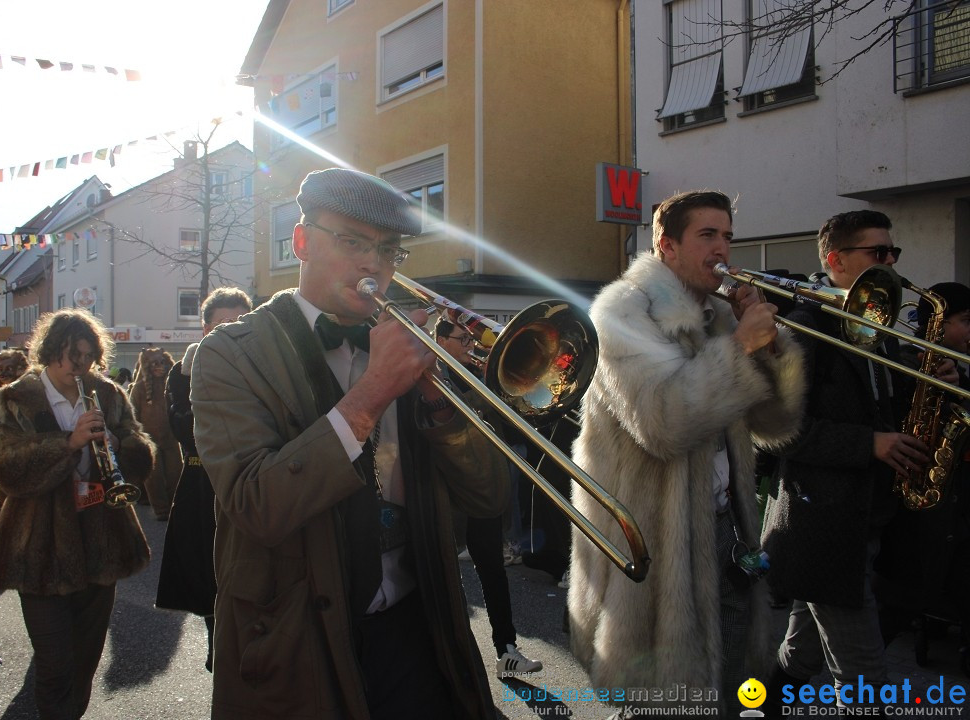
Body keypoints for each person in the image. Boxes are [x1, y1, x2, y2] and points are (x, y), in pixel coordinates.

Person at [191, 167, 509, 719]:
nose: (373, 265)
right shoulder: (229, 353)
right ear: (301, 243)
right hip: (298, 638)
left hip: (418, 628)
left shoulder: (405, 342)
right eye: (352, 242)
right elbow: (254, 504)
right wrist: (371, 394)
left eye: (387, 250)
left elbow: (488, 497)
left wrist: (436, 397)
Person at [568, 190, 806, 715]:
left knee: (729, 689)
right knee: (665, 702)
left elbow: (776, 425)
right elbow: (663, 424)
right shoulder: (623, 311)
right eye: (707, 235)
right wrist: (739, 348)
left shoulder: (719, 315)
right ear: (666, 246)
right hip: (655, 551)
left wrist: (770, 351)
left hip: (727, 531)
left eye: (727, 236)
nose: (722, 248)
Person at [761, 210, 959, 711]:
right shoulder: (803, 329)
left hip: (871, 518)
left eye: (893, 253)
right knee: (866, 679)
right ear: (836, 261)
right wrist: (870, 444)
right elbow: (775, 432)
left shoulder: (882, 327)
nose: (890, 262)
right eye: (877, 253)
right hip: (824, 527)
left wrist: (934, 384)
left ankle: (757, 706)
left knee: (800, 656)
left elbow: (888, 406)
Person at [0, 308, 154, 720]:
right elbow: (4, 465)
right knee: (55, 662)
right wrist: (67, 443)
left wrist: (119, 445)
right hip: (39, 547)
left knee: (84, 662)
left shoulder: (109, 393)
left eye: (88, 357)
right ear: (49, 351)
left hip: (102, 540)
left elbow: (141, 453)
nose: (80, 367)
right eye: (70, 356)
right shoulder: (13, 400)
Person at [433, 315, 543, 677]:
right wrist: (487, 391)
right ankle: (449, 661)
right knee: (443, 577)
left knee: (492, 572)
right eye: (462, 340)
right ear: (441, 339)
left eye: (469, 339)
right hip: (447, 494)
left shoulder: (475, 373)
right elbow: (449, 418)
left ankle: (506, 650)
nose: (470, 346)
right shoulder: (434, 372)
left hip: (480, 489)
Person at [156, 286, 252, 672]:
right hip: (202, 489)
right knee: (209, 579)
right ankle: (220, 654)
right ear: (205, 329)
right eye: (221, 325)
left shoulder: (264, 365)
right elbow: (184, 429)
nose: (231, 332)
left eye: (241, 323)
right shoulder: (184, 373)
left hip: (252, 483)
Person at [875, 281, 970, 664]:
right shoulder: (903, 363)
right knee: (898, 604)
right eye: (965, 321)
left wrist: (960, 385)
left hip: (951, 509)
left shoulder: (959, 369)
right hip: (916, 509)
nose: (969, 331)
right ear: (939, 325)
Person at [129, 348, 180, 520]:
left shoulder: (172, 384)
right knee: (153, 477)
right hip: (150, 439)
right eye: (155, 364)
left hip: (172, 438)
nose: (160, 367)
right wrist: (137, 436)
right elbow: (132, 414)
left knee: (176, 473)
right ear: (147, 366)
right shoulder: (139, 388)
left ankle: (175, 506)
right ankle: (161, 510)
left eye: (163, 363)